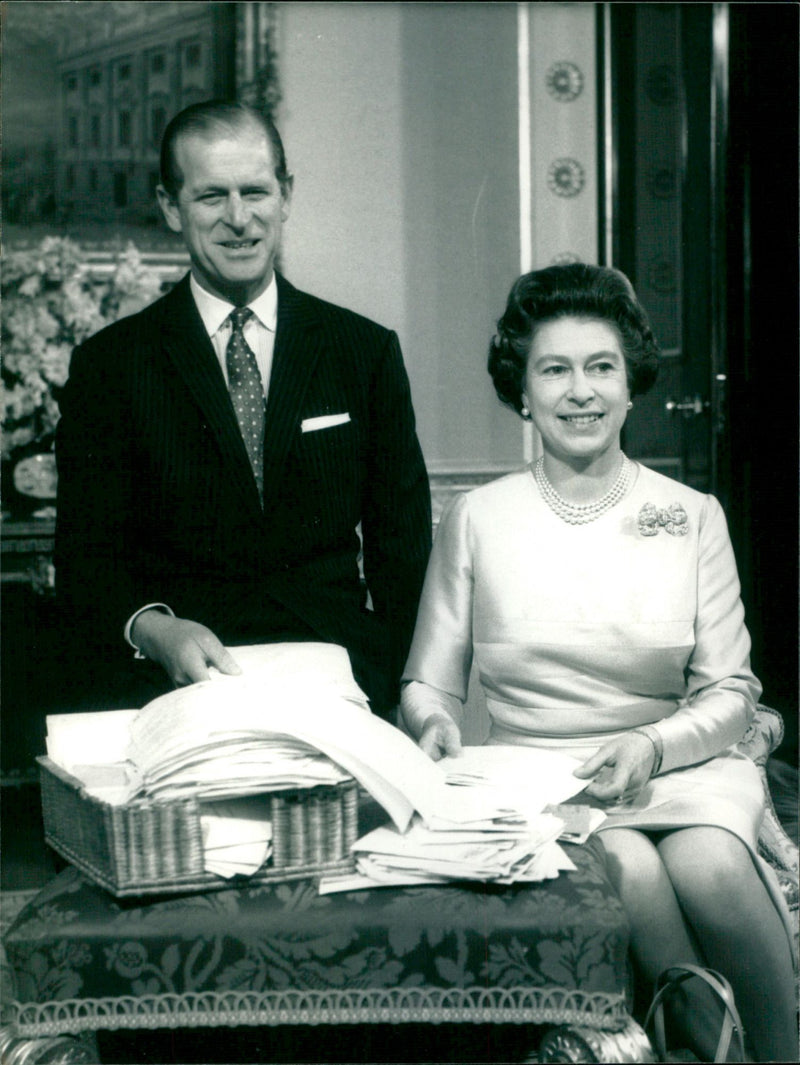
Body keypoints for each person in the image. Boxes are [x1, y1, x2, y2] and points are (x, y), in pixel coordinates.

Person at [400, 264, 796, 1061]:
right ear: (522, 387)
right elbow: (427, 683)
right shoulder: (476, 518)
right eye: (555, 369)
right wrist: (434, 722)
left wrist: (650, 746)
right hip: (541, 783)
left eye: (600, 367)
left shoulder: (692, 516)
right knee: (631, 867)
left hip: (681, 761)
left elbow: (730, 689)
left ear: (629, 384)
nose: (579, 391)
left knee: (713, 862)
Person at [54, 100, 431, 719]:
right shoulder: (111, 366)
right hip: (176, 690)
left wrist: (414, 693)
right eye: (211, 197)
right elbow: (86, 557)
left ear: (285, 195)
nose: (239, 219)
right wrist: (156, 630)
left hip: (340, 684)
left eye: (255, 191)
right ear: (170, 207)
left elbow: (403, 555)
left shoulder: (364, 352)